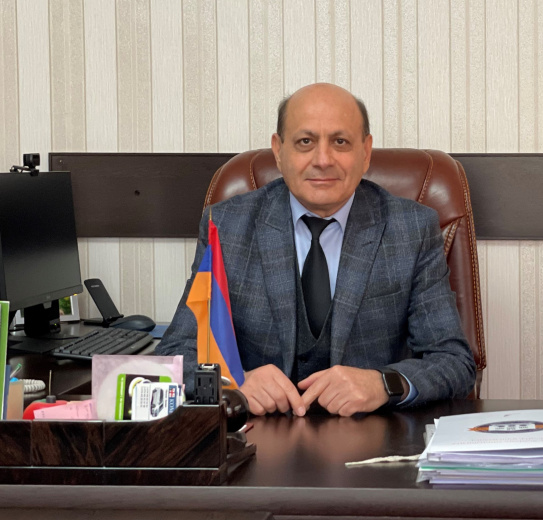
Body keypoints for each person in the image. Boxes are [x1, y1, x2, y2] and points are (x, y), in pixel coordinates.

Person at [156, 83, 476, 417]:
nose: (323, 160)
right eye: (305, 142)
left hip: (372, 435)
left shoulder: (411, 229)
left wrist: (384, 383)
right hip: (260, 436)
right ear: (279, 151)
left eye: (340, 142)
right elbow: (172, 358)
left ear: (365, 152)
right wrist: (232, 383)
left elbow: (454, 362)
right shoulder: (227, 227)